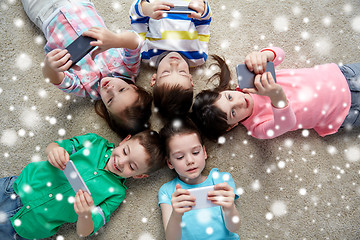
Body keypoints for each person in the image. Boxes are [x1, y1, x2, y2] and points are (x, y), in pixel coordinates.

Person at [21, 0, 153, 138]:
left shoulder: (86, 88)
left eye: (110, 100)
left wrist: (50, 67)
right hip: (80, 4)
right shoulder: (128, 69)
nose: (110, 88)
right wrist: (116, 39)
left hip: (46, 14)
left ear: (106, 111)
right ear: (135, 88)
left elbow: (56, 80)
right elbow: (136, 42)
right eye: (122, 89)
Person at [0, 130, 165, 239]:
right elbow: (52, 146)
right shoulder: (95, 142)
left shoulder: (116, 193)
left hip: (28, 228)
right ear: (124, 140)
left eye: (132, 166)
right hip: (14, 188)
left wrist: (85, 214)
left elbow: (84, 231)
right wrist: (55, 152)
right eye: (125, 151)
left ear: (140, 176)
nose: (121, 162)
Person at [191, 47, 359, 140]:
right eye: (233, 112)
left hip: (341, 75)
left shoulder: (249, 77)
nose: (239, 102)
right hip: (342, 112)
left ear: (225, 90)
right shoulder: (257, 128)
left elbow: (280, 54)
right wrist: (276, 95)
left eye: (229, 97)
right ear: (233, 125)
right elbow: (286, 123)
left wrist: (264, 55)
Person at [158, 118, 241, 239]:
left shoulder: (221, 180)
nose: (190, 161)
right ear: (170, 163)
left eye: (196, 152)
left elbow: (234, 227)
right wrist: (176, 215)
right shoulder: (167, 191)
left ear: (204, 152)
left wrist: (229, 208)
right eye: (180, 157)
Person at [129, 0, 212, 118]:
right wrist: (204, 10)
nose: (174, 63)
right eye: (182, 72)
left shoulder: (146, 54)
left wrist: (146, 8)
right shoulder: (199, 56)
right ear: (191, 79)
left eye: (166, 72)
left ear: (154, 79)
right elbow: (204, 24)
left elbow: (135, 18)